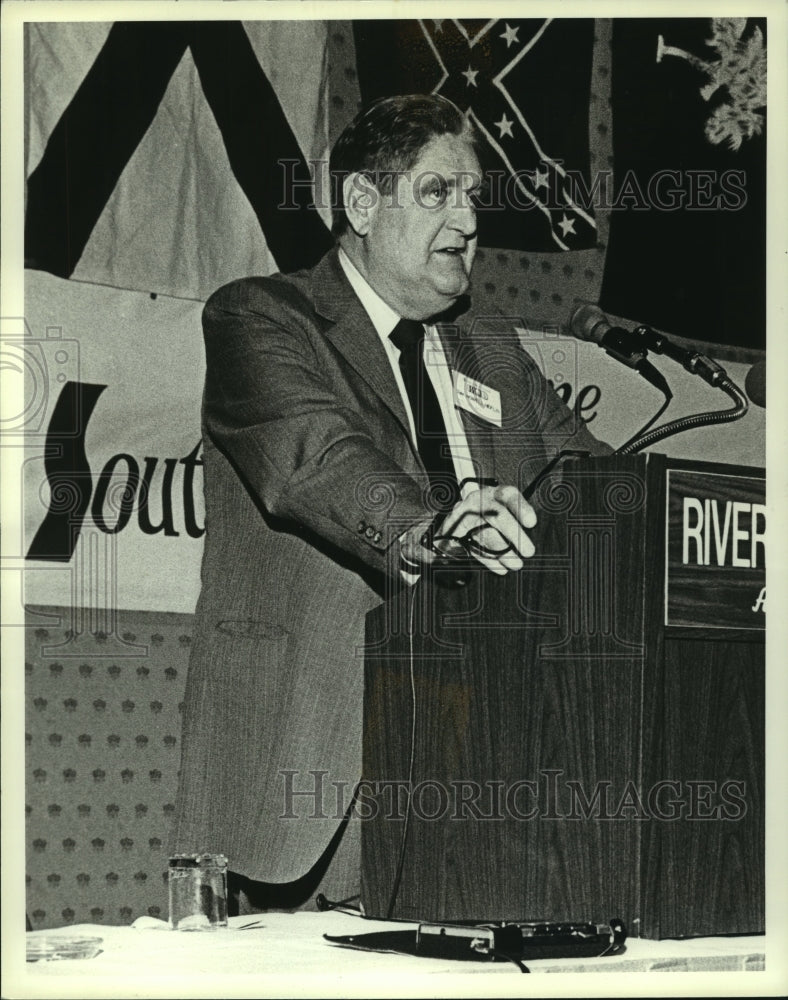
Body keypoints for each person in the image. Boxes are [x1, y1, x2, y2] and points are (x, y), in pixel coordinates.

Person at [172, 94, 611, 913]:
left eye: (475, 196)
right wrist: (433, 529)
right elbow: (318, 460)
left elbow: (596, 484)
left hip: (480, 771)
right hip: (311, 774)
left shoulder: (493, 348)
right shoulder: (261, 317)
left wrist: (691, 519)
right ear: (363, 204)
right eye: (439, 191)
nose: (469, 218)